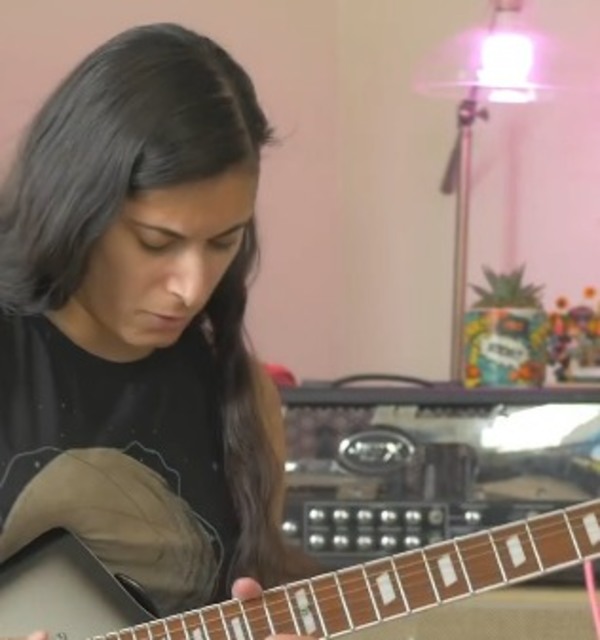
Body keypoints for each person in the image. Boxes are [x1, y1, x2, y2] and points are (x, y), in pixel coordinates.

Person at [0, 22, 316, 639]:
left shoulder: (245, 398)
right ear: (77, 209)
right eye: (155, 241)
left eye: (223, 242)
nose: (191, 287)